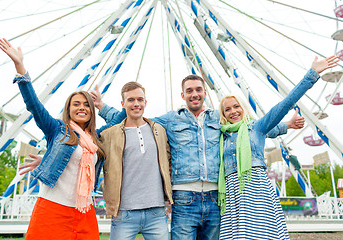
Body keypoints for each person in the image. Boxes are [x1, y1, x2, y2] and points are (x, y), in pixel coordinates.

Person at [92, 75, 306, 240]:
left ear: (204, 93)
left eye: (198, 90)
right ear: (182, 95)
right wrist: (103, 107)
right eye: (189, 91)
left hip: (215, 198)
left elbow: (249, 129)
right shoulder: (170, 120)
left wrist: (285, 126)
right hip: (184, 199)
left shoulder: (219, 118)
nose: (194, 94)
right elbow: (135, 117)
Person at [0, 38, 125, 239]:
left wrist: (101, 105)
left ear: (91, 111)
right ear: (68, 109)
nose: (81, 107)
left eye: (86, 104)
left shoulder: (97, 139)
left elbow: (122, 118)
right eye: (76, 104)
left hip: (84, 210)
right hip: (52, 208)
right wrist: (20, 67)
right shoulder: (56, 130)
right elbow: (34, 106)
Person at [218, 56, 339, 240]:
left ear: (243, 107)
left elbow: (283, 106)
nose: (233, 111)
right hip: (232, 191)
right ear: (223, 114)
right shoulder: (221, 135)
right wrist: (287, 126)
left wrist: (312, 74)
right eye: (227, 109)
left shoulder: (256, 127)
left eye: (237, 106)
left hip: (255, 186)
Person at [94, 81, 173, 240]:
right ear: (123, 104)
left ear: (145, 102)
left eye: (139, 99)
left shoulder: (159, 130)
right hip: (124, 213)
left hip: (156, 212)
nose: (136, 104)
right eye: (130, 100)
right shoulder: (109, 135)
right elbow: (84, 148)